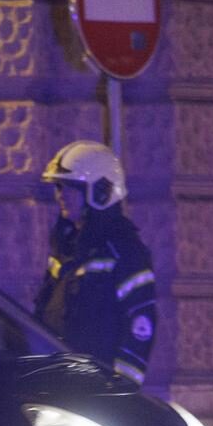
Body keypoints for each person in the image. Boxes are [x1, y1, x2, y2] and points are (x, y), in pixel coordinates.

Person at [33, 140, 157, 384]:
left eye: (69, 188)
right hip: (60, 386)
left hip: (98, 392)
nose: (61, 196)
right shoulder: (67, 247)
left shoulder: (124, 251)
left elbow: (141, 323)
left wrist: (120, 389)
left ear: (100, 191)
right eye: (58, 188)